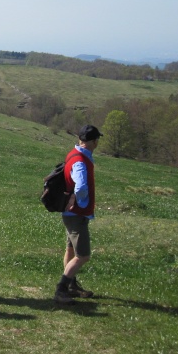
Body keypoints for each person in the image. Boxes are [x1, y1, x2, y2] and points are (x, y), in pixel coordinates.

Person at [54, 124, 102, 304]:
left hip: (69, 213)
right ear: (94, 141)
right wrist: (81, 204)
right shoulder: (81, 161)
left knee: (70, 249)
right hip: (76, 215)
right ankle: (61, 289)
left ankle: (72, 286)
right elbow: (81, 186)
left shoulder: (73, 154)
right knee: (83, 256)